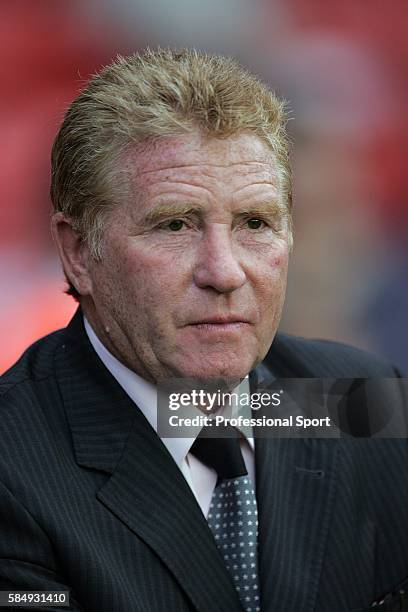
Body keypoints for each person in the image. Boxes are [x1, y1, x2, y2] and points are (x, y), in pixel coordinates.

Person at [0, 48, 407, 612]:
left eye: (255, 223)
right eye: (174, 224)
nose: (225, 272)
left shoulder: (359, 402)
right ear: (78, 253)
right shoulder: (12, 466)